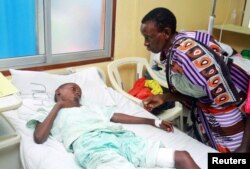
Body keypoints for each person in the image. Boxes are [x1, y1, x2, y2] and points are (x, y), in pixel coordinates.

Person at [140, 7, 250, 153]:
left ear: (166, 32)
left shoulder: (186, 53)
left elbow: (212, 93)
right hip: (216, 109)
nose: (145, 43)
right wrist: (165, 97)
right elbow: (199, 92)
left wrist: (244, 148)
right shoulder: (175, 48)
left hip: (231, 110)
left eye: (148, 37)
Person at [26, 82, 200, 169]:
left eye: (79, 89)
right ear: (59, 92)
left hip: (122, 138)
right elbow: (39, 137)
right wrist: (58, 106)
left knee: (182, 156)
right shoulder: (49, 110)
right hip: (92, 146)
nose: (78, 91)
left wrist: (153, 121)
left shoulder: (92, 108)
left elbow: (117, 117)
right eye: (73, 88)